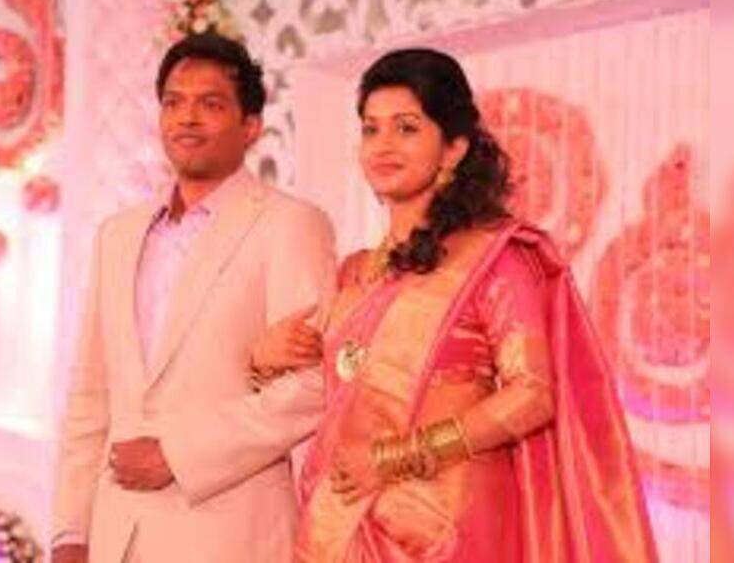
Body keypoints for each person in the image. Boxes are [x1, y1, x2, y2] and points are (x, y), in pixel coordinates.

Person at [256, 48, 657, 562]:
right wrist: (264, 360)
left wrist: (396, 457)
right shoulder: (355, 274)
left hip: (446, 528)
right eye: (371, 129)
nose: (383, 145)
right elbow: (340, 390)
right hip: (345, 520)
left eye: (406, 128)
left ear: (453, 148)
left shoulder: (494, 261)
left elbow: (533, 394)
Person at [51, 32, 336, 563]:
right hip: (117, 536)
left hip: (228, 534)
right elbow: (91, 393)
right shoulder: (118, 234)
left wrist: (178, 455)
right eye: (173, 102)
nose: (187, 118)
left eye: (210, 104)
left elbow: (312, 387)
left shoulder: (289, 224)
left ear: (251, 126)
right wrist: (70, 531)